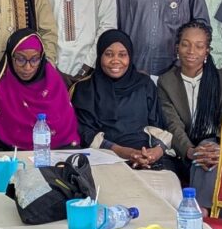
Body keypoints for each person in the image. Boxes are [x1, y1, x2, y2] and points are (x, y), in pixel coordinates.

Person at [71, 29, 181, 176]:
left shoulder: (144, 84)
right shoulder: (85, 89)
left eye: (122, 55)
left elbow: (159, 125)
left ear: (130, 56)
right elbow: (85, 133)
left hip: (148, 156)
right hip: (104, 157)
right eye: (109, 54)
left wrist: (155, 152)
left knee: (168, 186)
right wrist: (122, 152)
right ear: (100, 55)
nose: (115, 60)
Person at [157, 20, 222, 209]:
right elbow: (173, 124)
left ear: (207, 51)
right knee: (201, 155)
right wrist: (190, 150)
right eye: (186, 44)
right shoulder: (166, 81)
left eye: (199, 46)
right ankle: (205, 214)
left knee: (207, 153)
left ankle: (202, 212)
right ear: (177, 48)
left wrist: (218, 149)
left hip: (215, 149)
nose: (191, 51)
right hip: (180, 152)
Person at [0, 29, 80, 151]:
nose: (27, 67)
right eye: (20, 59)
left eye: (34, 60)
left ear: (41, 58)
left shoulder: (54, 83)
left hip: (58, 154)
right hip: (12, 156)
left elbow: (65, 126)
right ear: (10, 57)